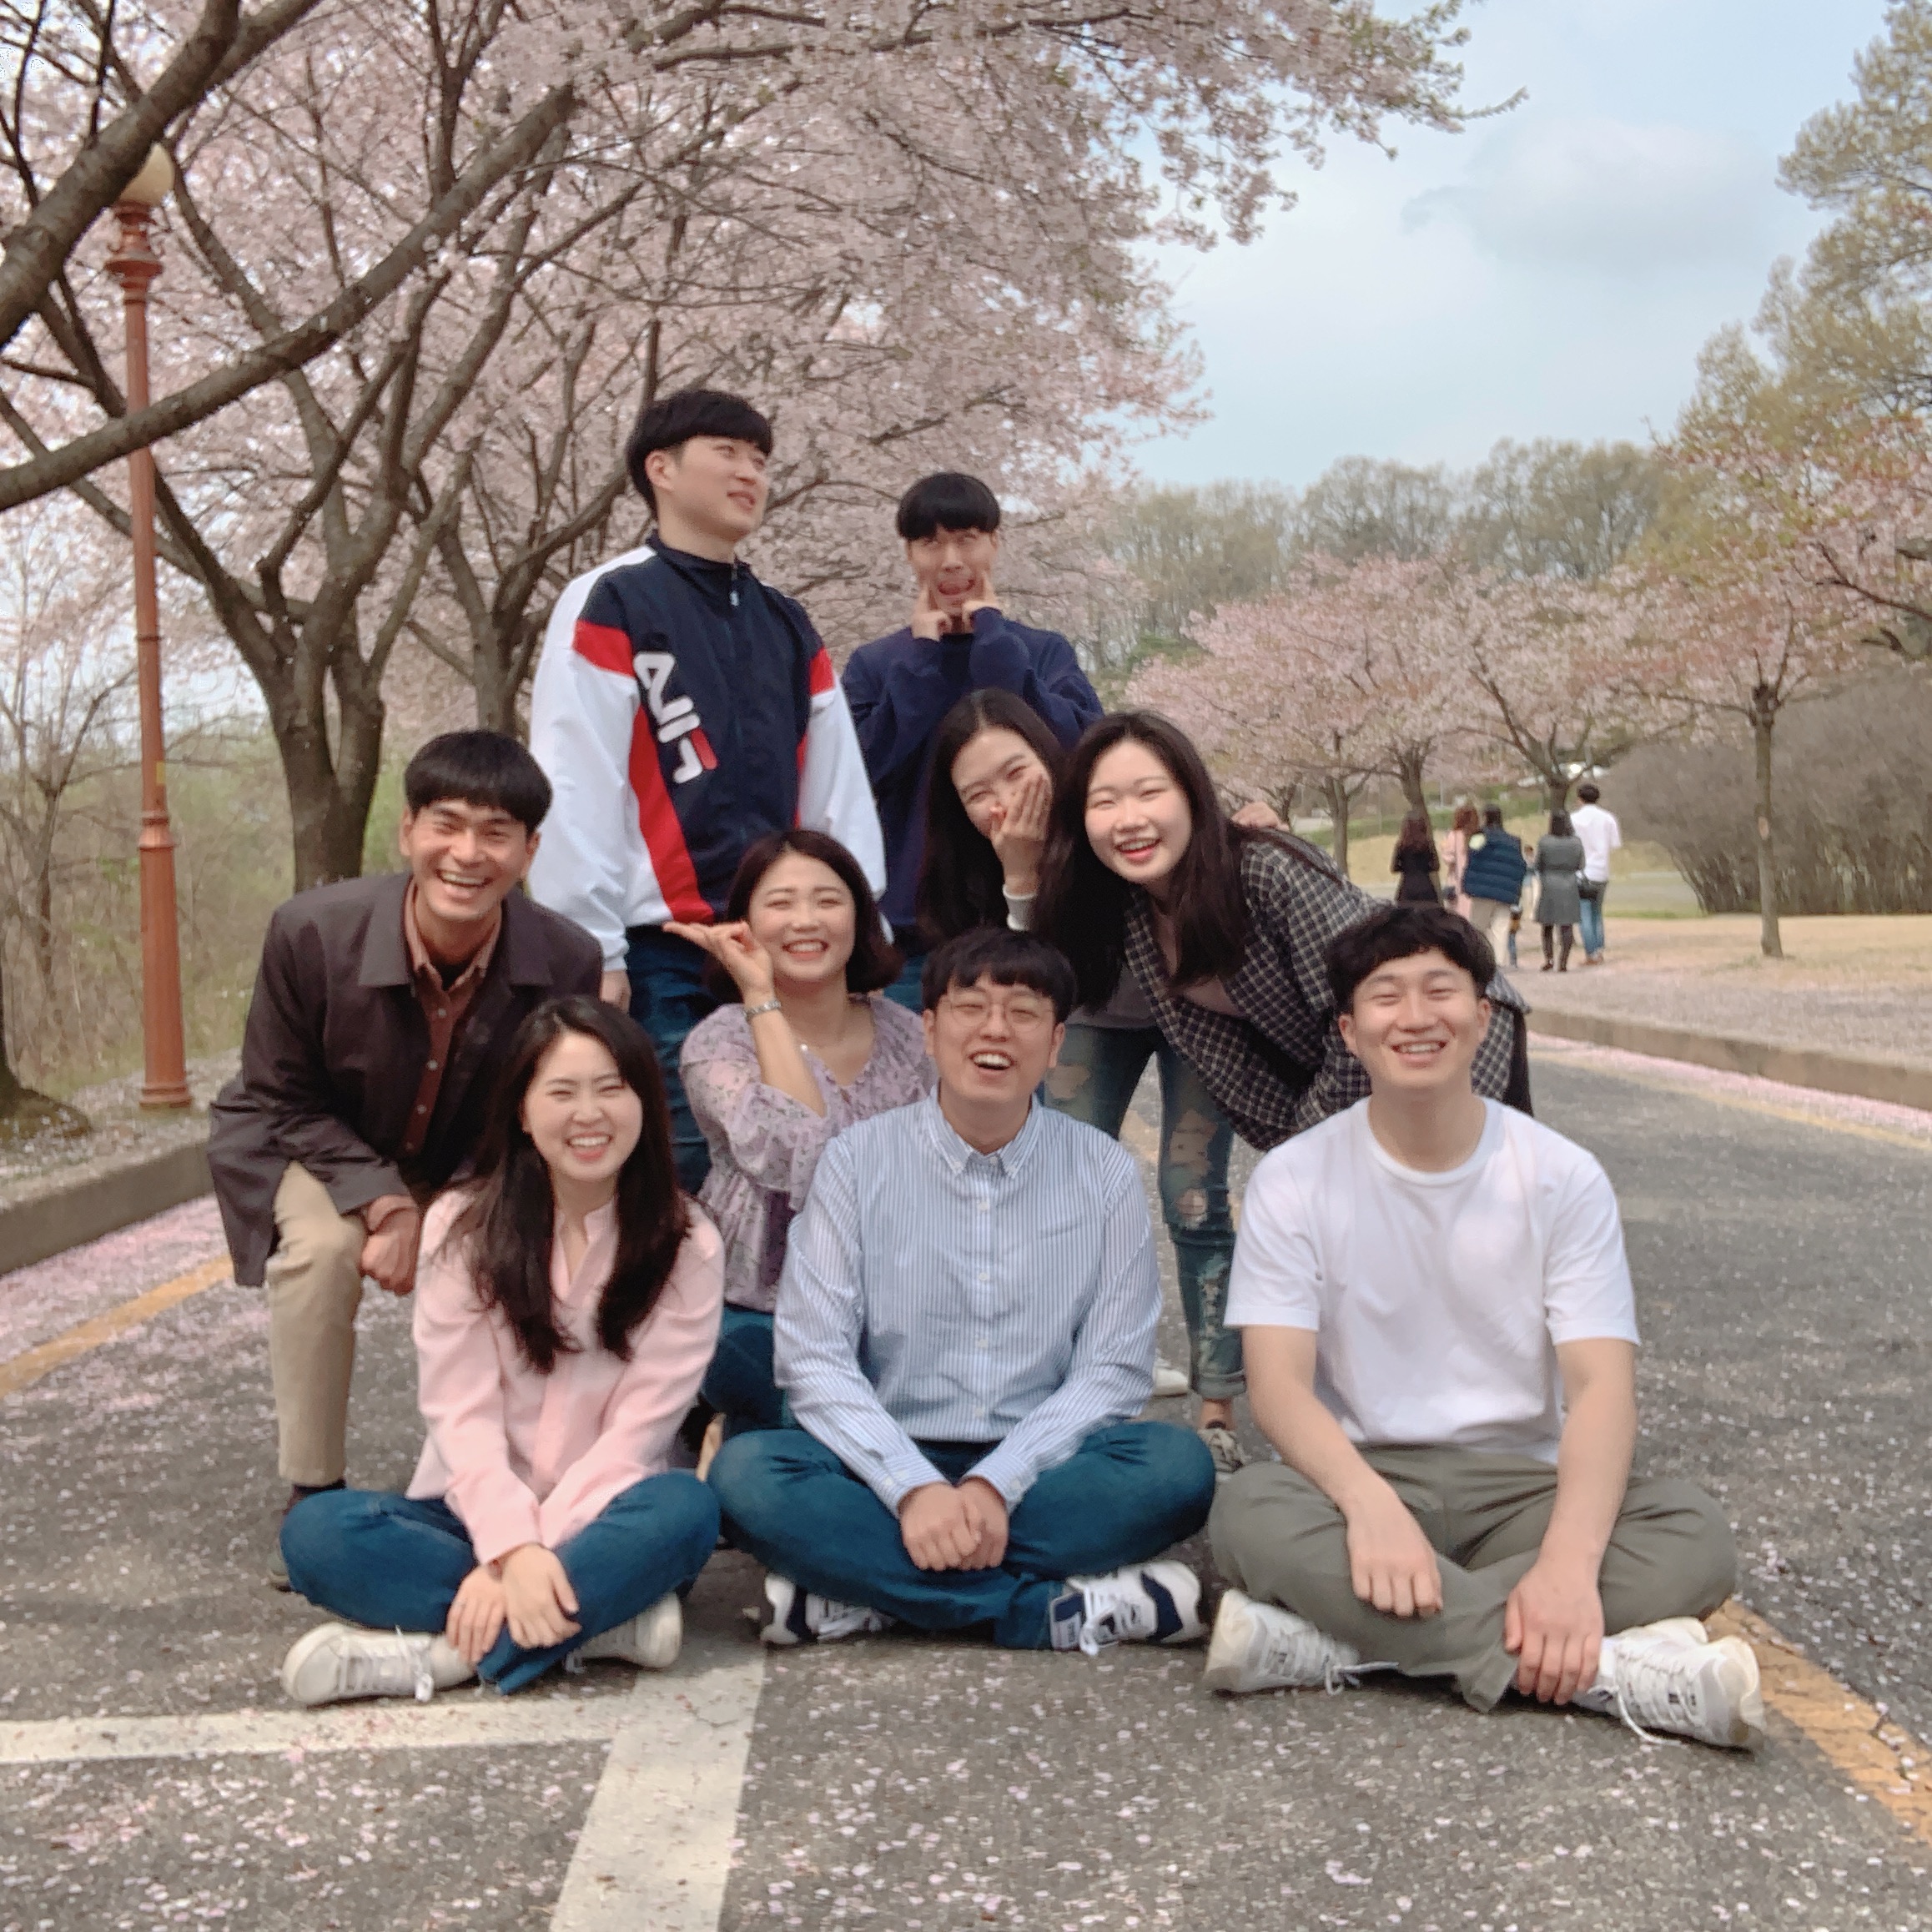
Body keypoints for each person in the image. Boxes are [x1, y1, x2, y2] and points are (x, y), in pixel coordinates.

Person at [1201, 904, 1763, 1752]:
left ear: (1484, 1016)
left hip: (1522, 1489)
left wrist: (1567, 1565)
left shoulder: (1561, 1176)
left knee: (1694, 1534)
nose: (1415, 1017)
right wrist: (1369, 1506)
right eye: (1386, 996)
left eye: (1441, 990)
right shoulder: (1294, 1177)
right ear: (1349, 1032)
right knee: (1248, 1512)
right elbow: (1278, 1389)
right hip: (1365, 1476)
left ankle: (1344, 1642)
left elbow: (1602, 1388)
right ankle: (1607, 1674)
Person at [707, 927, 1218, 1653]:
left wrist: (993, 1485)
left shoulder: (1102, 1171)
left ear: (1056, 1042)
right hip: (885, 1452)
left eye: (1023, 1013)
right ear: (928, 1030)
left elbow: (1113, 1370)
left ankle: (878, 1594)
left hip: (1043, 1464)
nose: (995, 1030)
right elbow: (814, 1357)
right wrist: (913, 1488)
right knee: (750, 1475)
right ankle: (1044, 1610)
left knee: (1176, 1469)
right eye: (970, 1007)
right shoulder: (857, 1162)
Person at [208, 732, 604, 1589]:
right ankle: (313, 1491)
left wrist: (449, 1206)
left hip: (471, 1157)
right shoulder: (311, 932)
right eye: (446, 825)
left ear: (530, 850)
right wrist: (386, 1203)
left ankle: (505, 1479)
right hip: (316, 1141)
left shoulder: (567, 958)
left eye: (496, 834)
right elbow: (282, 1092)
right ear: (408, 830)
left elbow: (544, 1106)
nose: (467, 854)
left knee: (517, 1250)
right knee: (323, 1253)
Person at [276, 997, 725, 1706]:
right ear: (522, 1110)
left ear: (645, 1102)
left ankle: (445, 1656)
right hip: (468, 1514)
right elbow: (460, 1415)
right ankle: (594, 1625)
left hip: (605, 1517)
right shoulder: (462, 1227)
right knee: (315, 1533)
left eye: (612, 1089)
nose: (589, 1114)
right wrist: (508, 1549)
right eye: (562, 1092)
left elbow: (636, 1438)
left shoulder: (687, 1242)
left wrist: (519, 1560)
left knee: (687, 1510)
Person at [526, 385, 885, 1195]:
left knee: (807, 1166)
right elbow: (574, 779)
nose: (750, 472)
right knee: (686, 1171)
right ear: (660, 468)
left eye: (760, 458)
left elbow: (835, 787)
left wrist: (860, 925)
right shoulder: (612, 599)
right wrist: (595, 947)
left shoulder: (786, 621)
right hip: (663, 952)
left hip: (786, 946)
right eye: (727, 452)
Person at [917, 688, 1245, 1472]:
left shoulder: (1110, 808)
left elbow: (1194, 829)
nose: (1004, 801)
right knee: (1057, 1184)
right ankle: (1072, 1374)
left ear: (1051, 758)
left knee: (1191, 1191)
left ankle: (1218, 1404)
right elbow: (1037, 976)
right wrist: (1019, 873)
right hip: (1093, 1015)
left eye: (1017, 773)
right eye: (978, 792)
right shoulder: (977, 863)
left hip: (1195, 1007)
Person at [1034, 712, 1532, 1164]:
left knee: (1472, 1210)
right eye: (1104, 802)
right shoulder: (1130, 914)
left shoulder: (1265, 871)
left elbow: (1359, 1014)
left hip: (1445, 1040)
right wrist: (1297, 1147)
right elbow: (1225, 1065)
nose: (1129, 820)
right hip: (1348, 1077)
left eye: (1149, 794)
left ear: (1193, 797)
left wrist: (1309, 1145)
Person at [674, 830, 932, 1437]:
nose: (806, 921)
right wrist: (760, 997)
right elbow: (801, 1157)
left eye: (827, 900)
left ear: (860, 918)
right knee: (795, 1414)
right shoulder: (719, 1044)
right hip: (760, 1308)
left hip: (893, 1305)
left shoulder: (910, 1036)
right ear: (745, 925)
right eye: (781, 903)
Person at [842, 471, 1100, 1007]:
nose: (951, 560)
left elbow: (1079, 752)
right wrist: (921, 659)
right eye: (930, 543)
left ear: (994, 543)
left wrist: (994, 641)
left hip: (1031, 914)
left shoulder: (1042, 652)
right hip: (913, 933)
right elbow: (862, 773)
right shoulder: (877, 665)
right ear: (909, 554)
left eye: (967, 539)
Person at [1459, 804, 1529, 952]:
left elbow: (1471, 856)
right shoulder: (1513, 841)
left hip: (1483, 890)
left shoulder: (1480, 837)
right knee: (1501, 930)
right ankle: (1498, 962)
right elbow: (1520, 865)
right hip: (1506, 893)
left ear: (1485, 817)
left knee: (1478, 929)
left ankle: (1479, 959)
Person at [1570, 782, 1623, 964]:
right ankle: (1599, 950)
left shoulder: (1574, 819)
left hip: (1582, 872)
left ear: (1580, 798)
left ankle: (1590, 953)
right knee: (1597, 913)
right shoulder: (1608, 818)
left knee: (1584, 914)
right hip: (1601, 870)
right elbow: (1615, 844)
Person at [1534, 812, 1587, 973]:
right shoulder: (1576, 842)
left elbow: (1538, 864)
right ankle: (1563, 961)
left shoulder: (1545, 842)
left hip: (1549, 883)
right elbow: (1581, 865)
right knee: (1566, 925)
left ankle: (1549, 959)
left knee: (1547, 925)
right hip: (1569, 884)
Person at [1390, 808, 1442, 904]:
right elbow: (1436, 866)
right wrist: (1425, 867)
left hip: (1407, 887)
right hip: (1426, 887)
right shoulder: (1428, 844)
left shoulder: (1401, 845)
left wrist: (1405, 867)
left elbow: (1393, 868)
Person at [1442, 802, 1481, 913]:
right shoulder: (1479, 836)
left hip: (1458, 883)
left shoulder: (1454, 835)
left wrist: (1443, 847)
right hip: (1476, 882)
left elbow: (1448, 859)